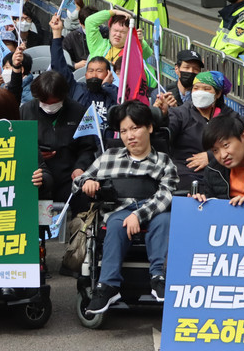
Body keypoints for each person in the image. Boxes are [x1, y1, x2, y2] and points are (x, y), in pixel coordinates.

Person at [75, 101, 179, 314]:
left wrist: (138, 216)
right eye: (124, 131)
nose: (130, 136)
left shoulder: (163, 161)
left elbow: (166, 195)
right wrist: (87, 182)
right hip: (118, 211)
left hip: (153, 211)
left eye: (135, 128)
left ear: (149, 127)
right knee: (115, 224)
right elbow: (78, 181)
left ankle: (158, 278)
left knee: (165, 220)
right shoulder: (109, 157)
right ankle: (108, 286)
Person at [20, 70, 97, 201]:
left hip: (69, 176)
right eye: (45, 102)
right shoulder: (26, 111)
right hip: (37, 179)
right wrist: (36, 154)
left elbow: (87, 147)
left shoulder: (78, 111)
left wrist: (80, 167)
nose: (49, 106)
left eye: (53, 103)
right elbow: (20, 146)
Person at [156, 70, 237, 190]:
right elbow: (165, 134)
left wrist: (212, 156)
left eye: (206, 89)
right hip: (185, 174)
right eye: (196, 88)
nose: (200, 92)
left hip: (222, 174)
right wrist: (161, 117)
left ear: (218, 93)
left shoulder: (231, 117)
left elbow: (239, 145)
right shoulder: (180, 113)